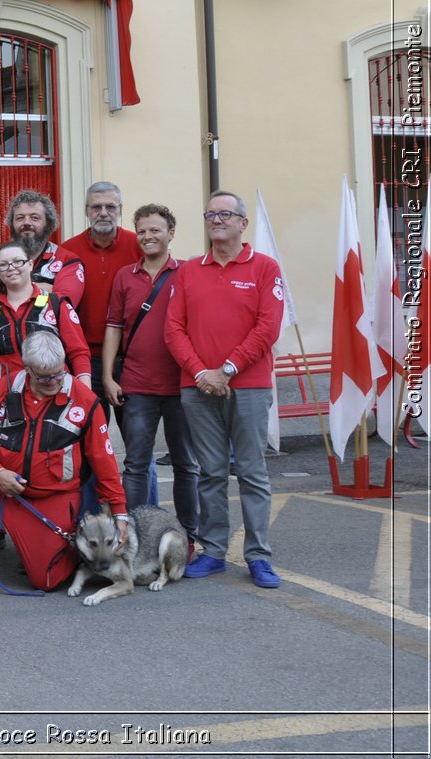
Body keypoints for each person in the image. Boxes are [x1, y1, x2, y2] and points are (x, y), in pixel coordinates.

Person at [0, 334, 127, 591]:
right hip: (3, 488)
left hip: (53, 498)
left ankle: (47, 550)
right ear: (27, 369)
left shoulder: (85, 402)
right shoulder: (3, 389)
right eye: (44, 378)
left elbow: (105, 464)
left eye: (58, 374)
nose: (54, 382)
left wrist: (120, 514)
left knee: (45, 581)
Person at [164, 190, 285, 589]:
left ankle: (258, 557)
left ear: (242, 223)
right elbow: (173, 329)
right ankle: (214, 551)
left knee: (251, 473)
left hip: (247, 386)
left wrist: (227, 369)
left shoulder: (265, 268)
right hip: (197, 387)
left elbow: (267, 328)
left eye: (225, 214)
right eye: (210, 214)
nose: (216, 220)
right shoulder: (189, 271)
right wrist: (202, 373)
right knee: (210, 474)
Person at [104, 204, 199, 543]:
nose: (148, 236)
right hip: (137, 385)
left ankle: (189, 534)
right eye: (142, 230)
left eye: (155, 229)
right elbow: (114, 327)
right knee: (136, 465)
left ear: (171, 233)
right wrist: (107, 376)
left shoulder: (189, 272)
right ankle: (135, 536)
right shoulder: (125, 276)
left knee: (186, 465)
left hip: (181, 386)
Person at [61, 183, 144, 409]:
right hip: (83, 357)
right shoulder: (67, 251)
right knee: (92, 431)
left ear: (120, 210)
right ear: (86, 210)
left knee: (135, 432)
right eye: (96, 207)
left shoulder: (139, 246)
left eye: (110, 206)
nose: (104, 213)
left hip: (129, 358)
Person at [0, 239, 92, 385]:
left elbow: (79, 352)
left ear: (30, 264)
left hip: (54, 393)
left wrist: (85, 392)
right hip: (11, 399)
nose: (11, 268)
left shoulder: (56, 304)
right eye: (3, 265)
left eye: (18, 262)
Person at [0, 190, 86, 305]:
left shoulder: (67, 261)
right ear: (11, 224)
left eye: (34, 218)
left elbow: (63, 305)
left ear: (49, 224)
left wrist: (1, 286)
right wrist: (42, 289)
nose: (26, 223)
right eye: (20, 218)